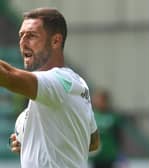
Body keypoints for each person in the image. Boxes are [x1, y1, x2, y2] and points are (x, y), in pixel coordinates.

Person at [0, 7, 99, 168]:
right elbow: (93, 142)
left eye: (31, 35)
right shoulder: (76, 83)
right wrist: (32, 144)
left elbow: (8, 76)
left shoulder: (60, 82)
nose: (23, 41)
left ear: (55, 41)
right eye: (21, 35)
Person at [90, 88, 122, 168]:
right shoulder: (91, 116)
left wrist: (118, 152)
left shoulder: (113, 117)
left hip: (109, 156)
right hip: (96, 157)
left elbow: (118, 137)